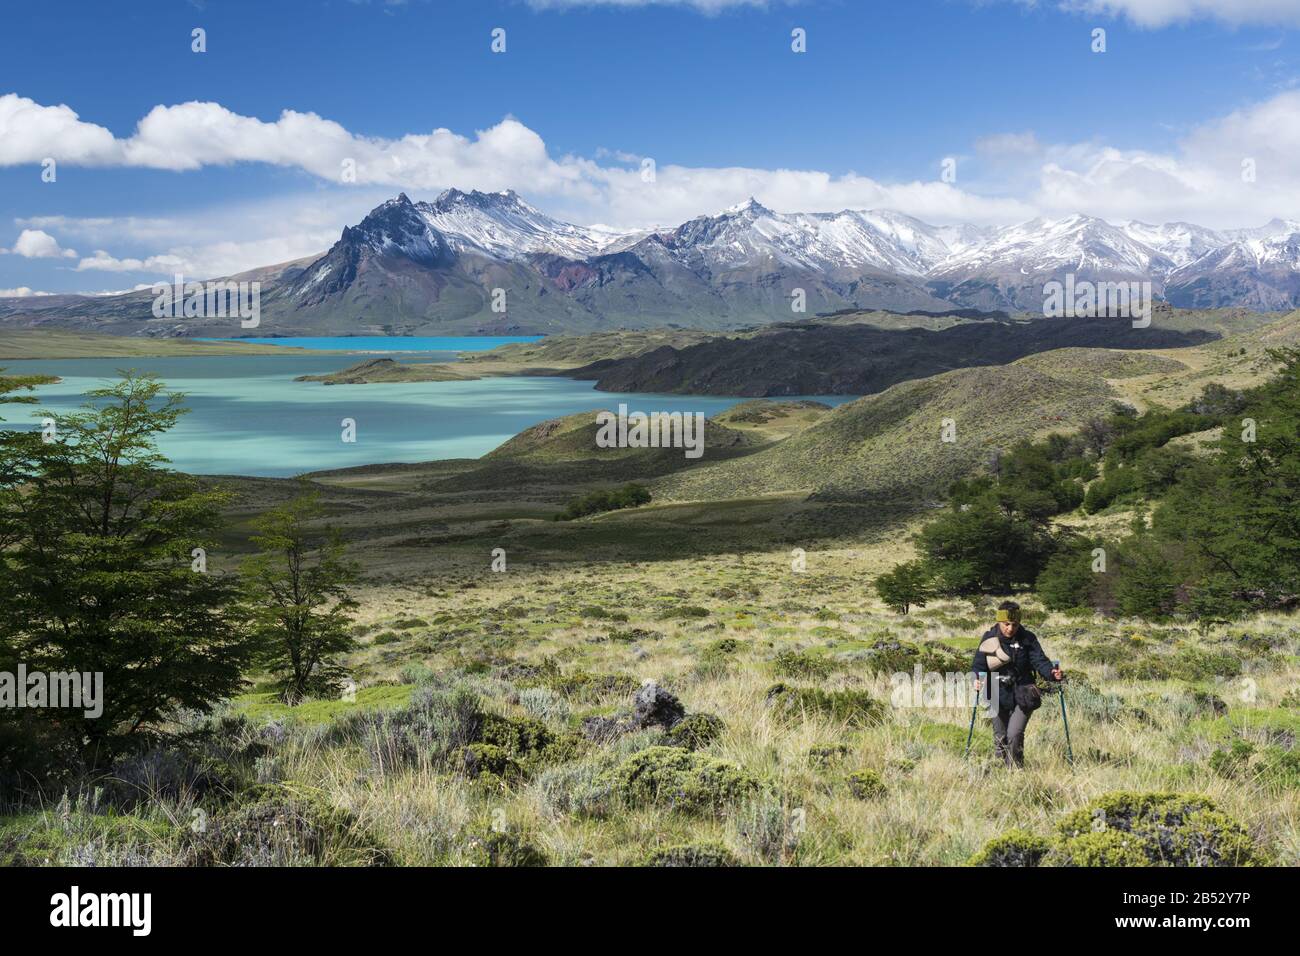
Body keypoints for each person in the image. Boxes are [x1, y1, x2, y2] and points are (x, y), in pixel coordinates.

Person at [971, 600, 1063, 768]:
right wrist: (977, 679)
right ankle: (1000, 772)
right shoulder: (989, 638)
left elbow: (1040, 661)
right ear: (999, 621)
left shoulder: (1028, 639)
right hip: (996, 693)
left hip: (1024, 693)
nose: (1010, 628)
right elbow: (978, 665)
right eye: (1006, 624)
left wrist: (1051, 673)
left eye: (1014, 624)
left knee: (1014, 734)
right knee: (1000, 737)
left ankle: (1016, 771)